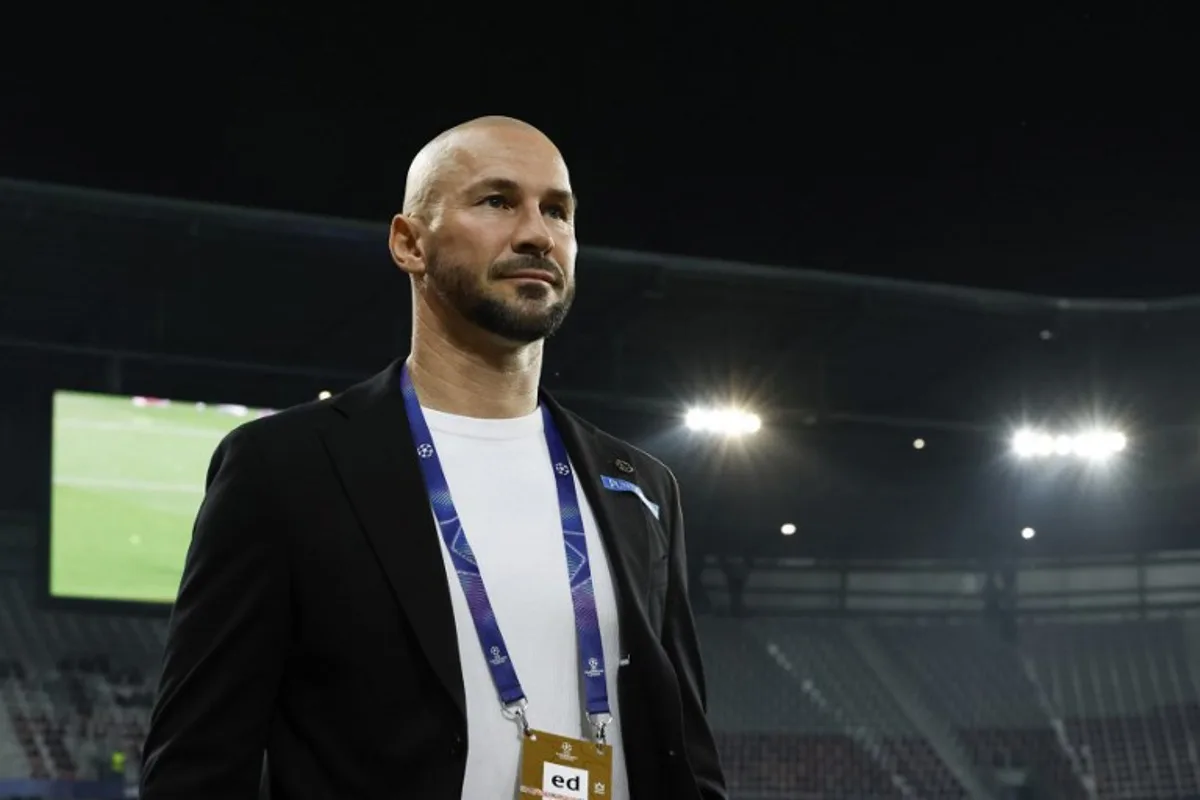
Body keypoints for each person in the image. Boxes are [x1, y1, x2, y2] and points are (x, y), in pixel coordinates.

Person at [139, 116, 727, 799]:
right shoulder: (287, 467)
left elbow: (686, 750)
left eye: (557, 210)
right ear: (409, 243)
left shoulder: (640, 486)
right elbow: (198, 763)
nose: (538, 232)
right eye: (498, 201)